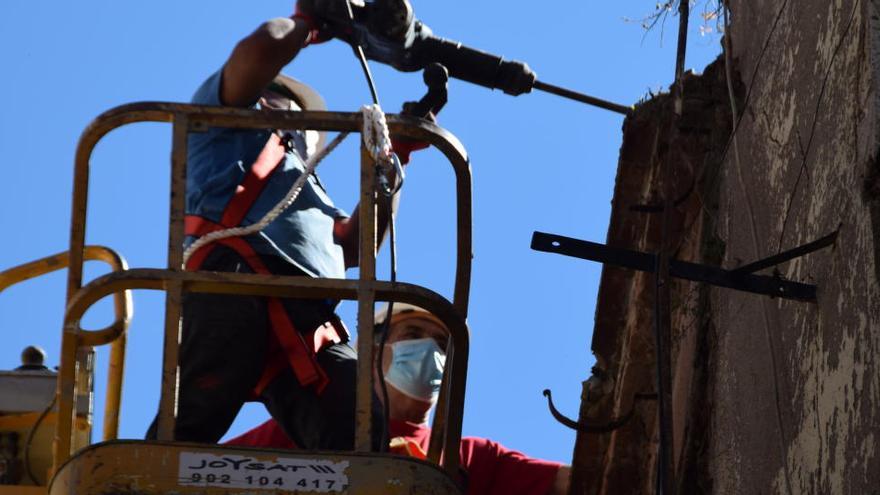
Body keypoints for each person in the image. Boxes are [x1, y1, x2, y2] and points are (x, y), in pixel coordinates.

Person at [147, 3, 418, 450]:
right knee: (192, 422)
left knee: (360, 429)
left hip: (308, 321)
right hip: (235, 287)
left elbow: (354, 248)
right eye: (284, 104)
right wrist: (308, 23)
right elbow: (257, 54)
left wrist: (396, 160)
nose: (305, 124)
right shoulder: (224, 129)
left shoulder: (310, 189)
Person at [226, 304, 572, 495]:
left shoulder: (469, 457)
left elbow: (574, 481)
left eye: (441, 345)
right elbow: (206, 475)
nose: (429, 352)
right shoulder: (310, 429)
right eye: (414, 335)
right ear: (375, 351)